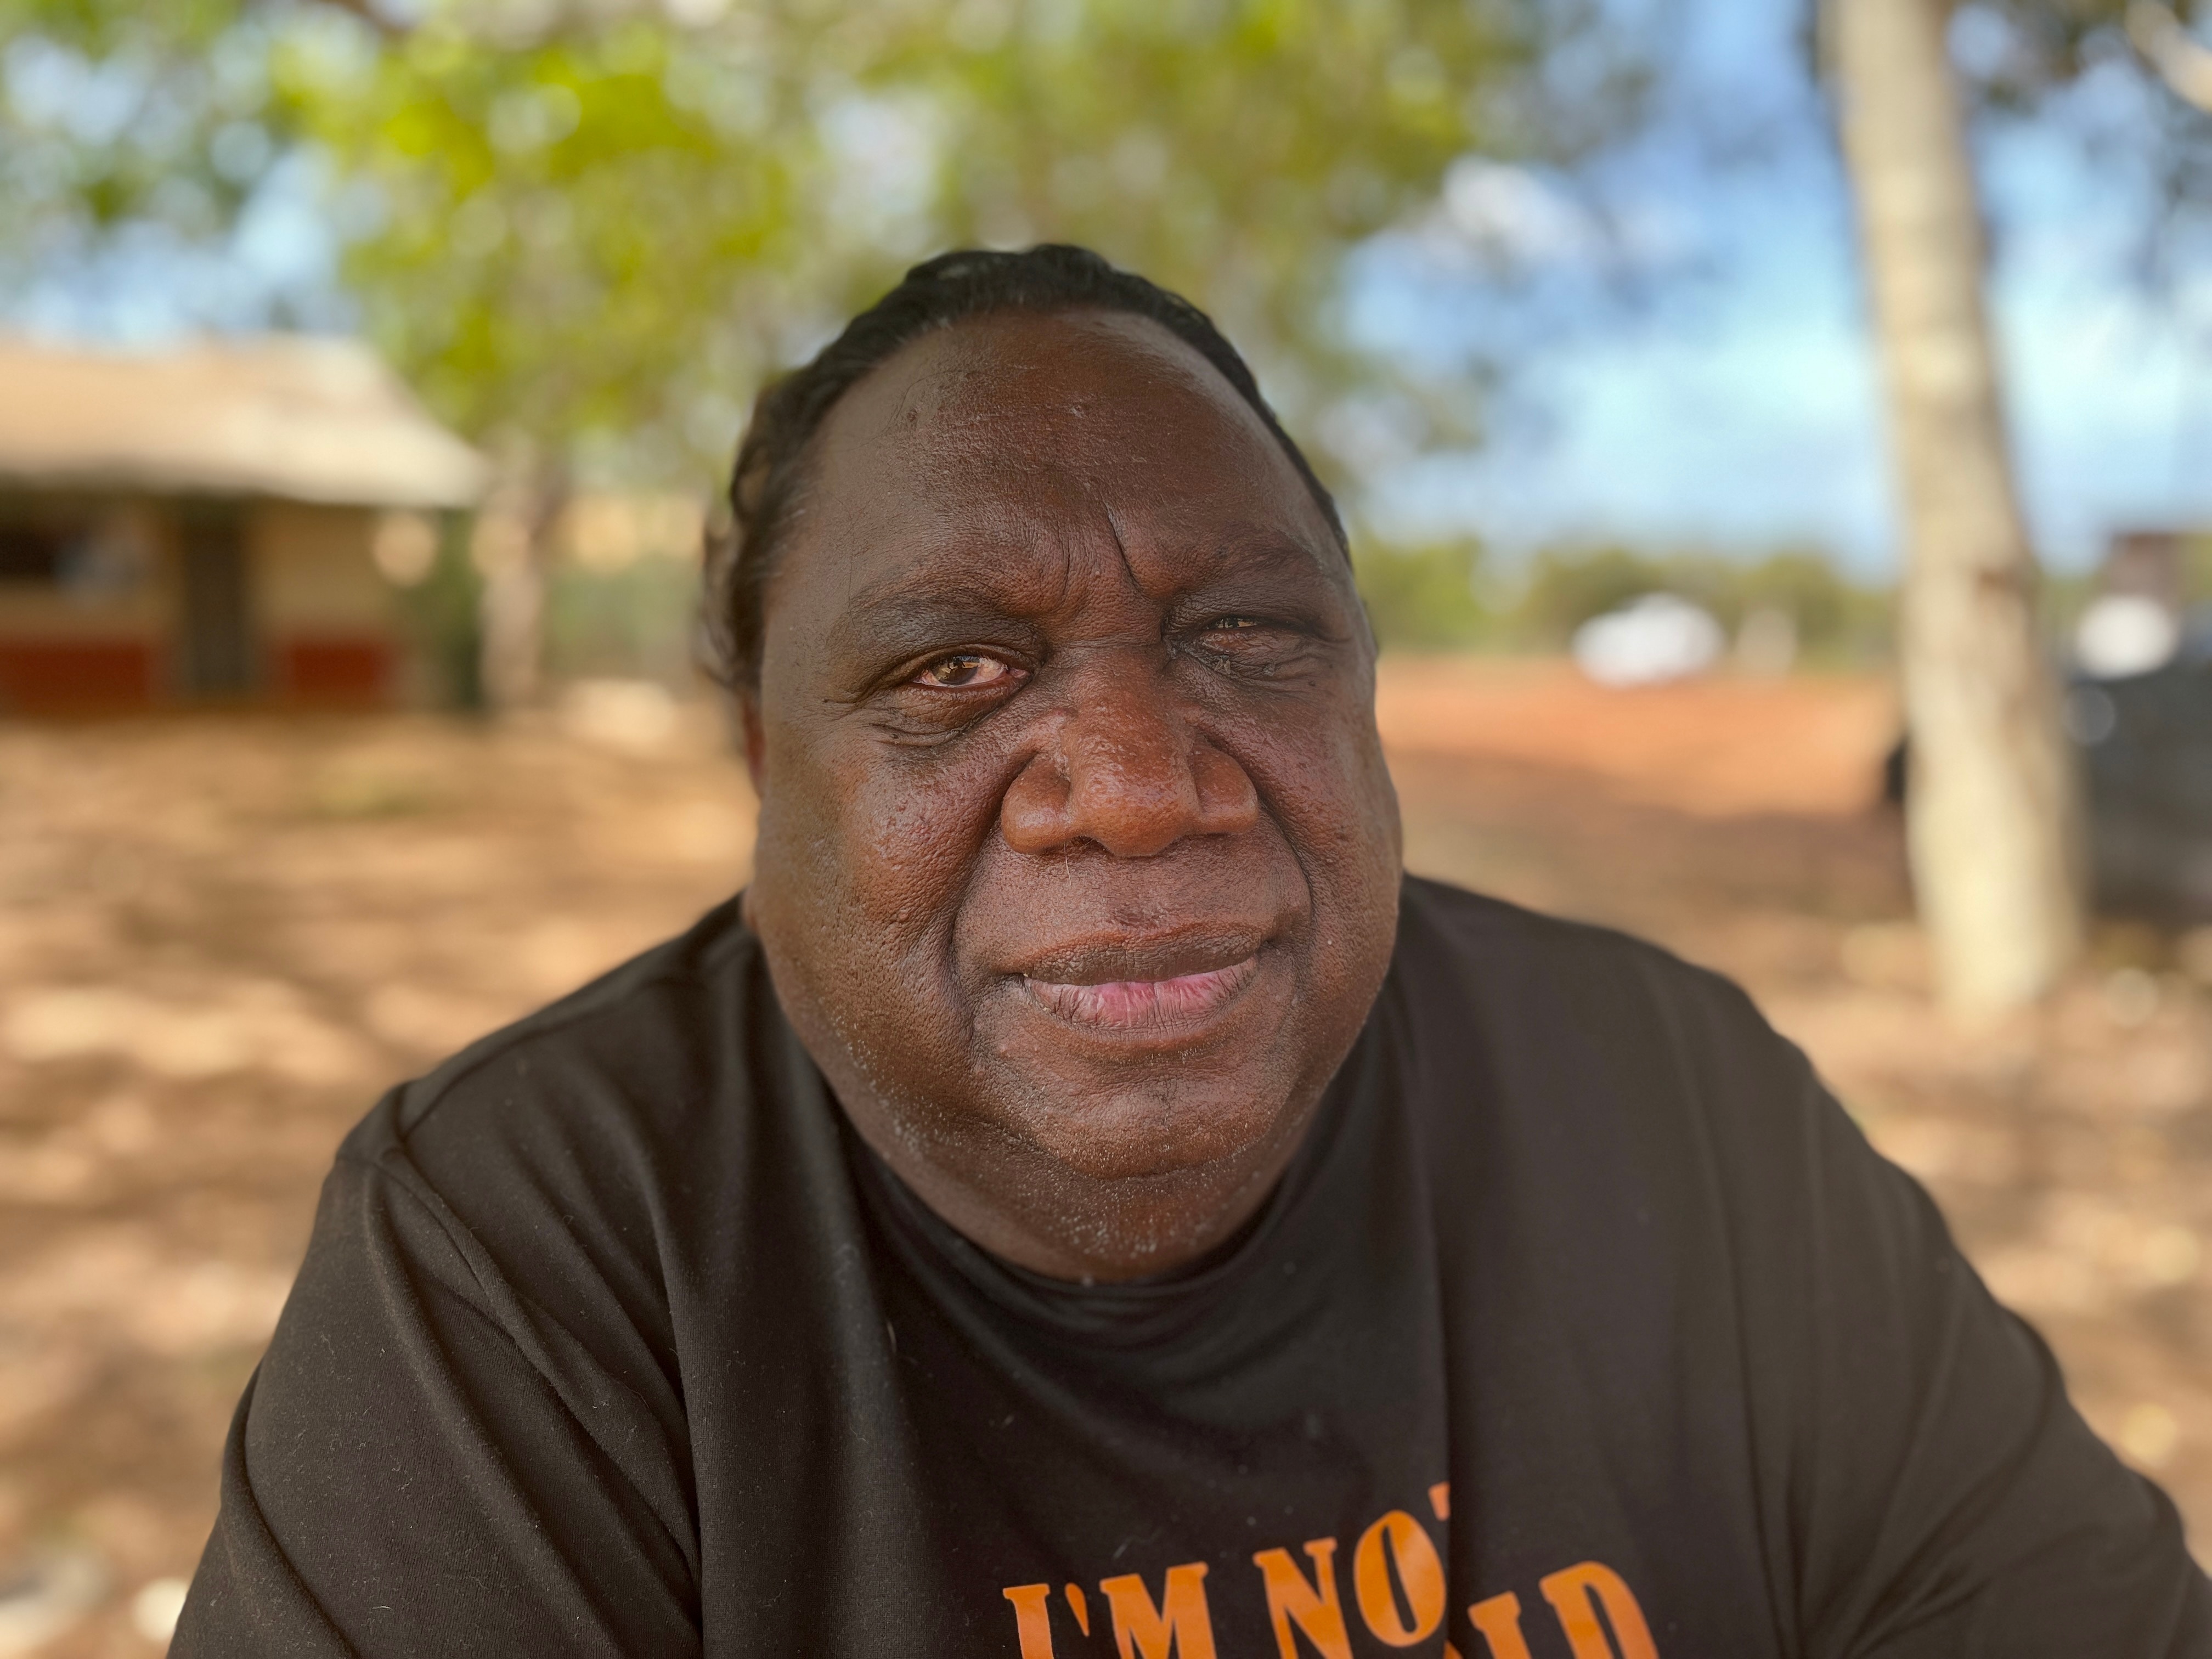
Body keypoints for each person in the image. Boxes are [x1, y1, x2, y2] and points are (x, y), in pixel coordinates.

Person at [175, 246, 2208, 1657]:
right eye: (955, 669)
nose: (1140, 785)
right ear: (757, 755)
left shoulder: (1666, 1099)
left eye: (1249, 638)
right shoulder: (538, 1244)